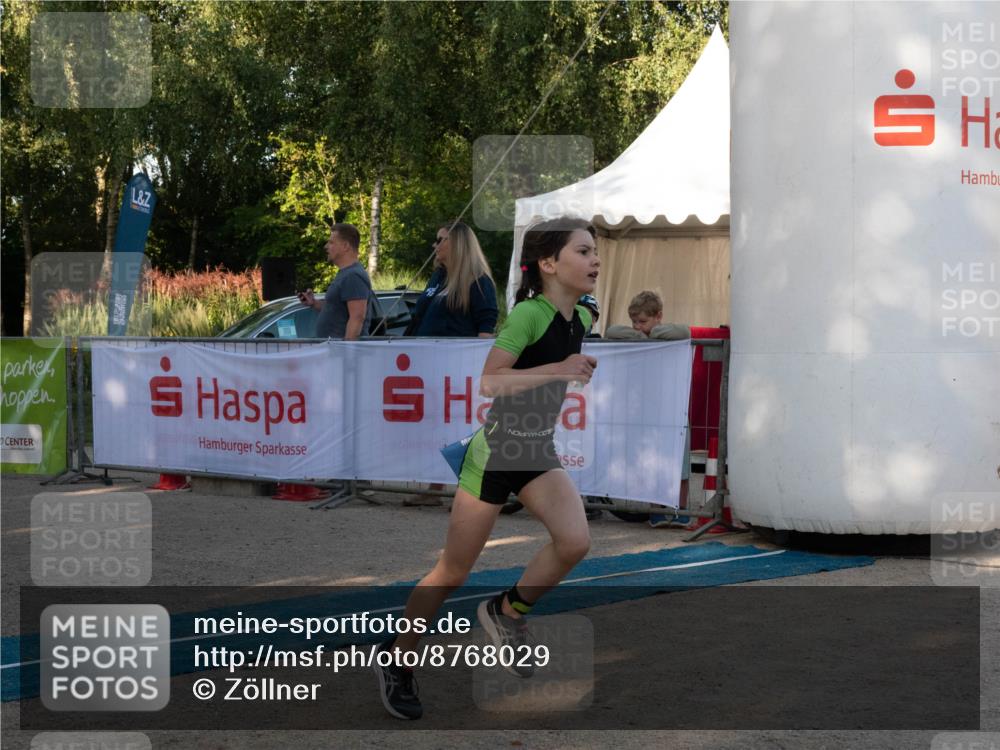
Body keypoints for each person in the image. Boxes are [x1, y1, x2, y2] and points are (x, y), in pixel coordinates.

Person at [374, 218, 600, 720]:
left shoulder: (580, 319)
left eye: (595, 253)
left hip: (537, 452)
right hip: (496, 455)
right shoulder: (527, 315)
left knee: (575, 541)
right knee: (452, 572)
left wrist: (563, 371)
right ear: (548, 264)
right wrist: (560, 370)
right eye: (583, 252)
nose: (595, 260)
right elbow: (490, 384)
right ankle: (397, 660)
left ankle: (506, 611)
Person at [403, 221, 499, 507]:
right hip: (427, 369)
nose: (436, 245)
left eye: (441, 240)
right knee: (432, 427)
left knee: (458, 429)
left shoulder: (478, 281)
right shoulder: (437, 278)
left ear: (457, 244)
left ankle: (468, 489)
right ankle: (433, 487)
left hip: (457, 372)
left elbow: (486, 327)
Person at [626, 290, 691, 528]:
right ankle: (656, 510)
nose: (637, 327)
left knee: (681, 463)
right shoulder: (637, 334)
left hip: (674, 407)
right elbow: (612, 332)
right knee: (652, 460)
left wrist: (651, 334)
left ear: (658, 316)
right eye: (634, 322)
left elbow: (684, 331)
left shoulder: (668, 334)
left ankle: (681, 509)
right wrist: (642, 335)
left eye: (642, 321)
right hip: (650, 409)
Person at [297, 223, 372, 340]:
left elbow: (357, 318)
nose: (326, 246)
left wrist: (347, 352)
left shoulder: (353, 276)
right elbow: (337, 309)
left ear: (345, 246)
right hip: (334, 352)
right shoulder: (345, 273)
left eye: (331, 242)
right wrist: (314, 303)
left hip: (341, 354)